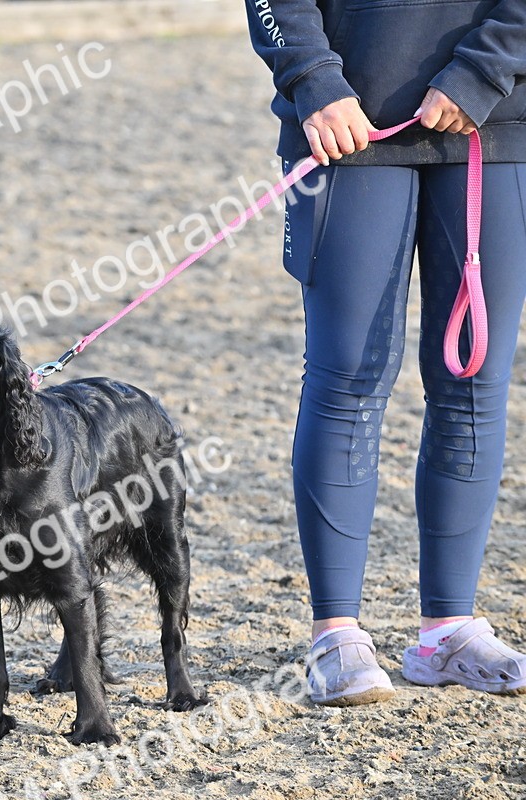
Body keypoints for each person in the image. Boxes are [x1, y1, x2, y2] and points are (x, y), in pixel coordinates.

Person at [246, 2, 526, 705]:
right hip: (345, 126)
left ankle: (448, 632)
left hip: (494, 122)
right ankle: (336, 637)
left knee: (474, 381)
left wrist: (483, 69)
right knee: (347, 377)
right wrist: (312, 77)